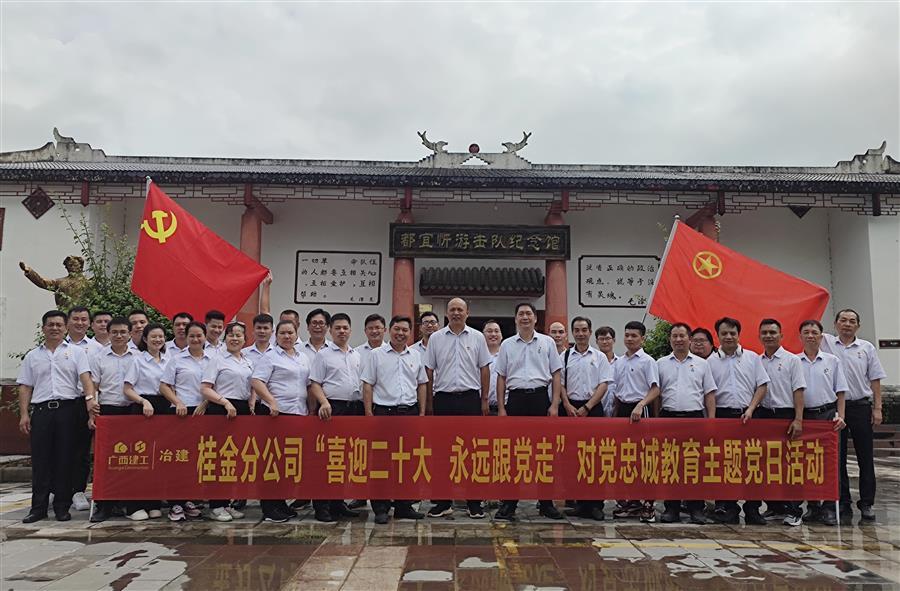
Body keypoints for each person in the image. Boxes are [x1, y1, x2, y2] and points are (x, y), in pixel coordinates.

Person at [18, 310, 97, 523]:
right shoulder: (33, 356)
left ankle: (62, 506)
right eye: (50, 325)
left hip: (68, 410)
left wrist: (90, 401)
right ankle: (38, 508)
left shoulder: (76, 353)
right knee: (41, 460)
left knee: (65, 458)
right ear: (43, 328)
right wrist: (24, 414)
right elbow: (25, 386)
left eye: (58, 325)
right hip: (42, 412)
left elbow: (86, 379)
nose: (54, 328)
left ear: (65, 328)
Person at [633, 322, 716, 525]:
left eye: (682, 336)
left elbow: (709, 394)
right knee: (670, 464)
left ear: (689, 339)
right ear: (670, 339)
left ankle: (696, 508)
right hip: (668, 418)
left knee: (694, 464)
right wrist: (656, 419)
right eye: (675, 336)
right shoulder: (661, 363)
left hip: (694, 418)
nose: (678, 339)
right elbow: (657, 394)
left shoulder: (702, 364)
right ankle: (672, 508)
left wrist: (711, 421)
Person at [493, 303, 564, 522]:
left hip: (540, 399)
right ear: (515, 319)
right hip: (515, 400)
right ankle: (509, 503)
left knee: (543, 452)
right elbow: (501, 377)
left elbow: (556, 374)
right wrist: (502, 408)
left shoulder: (547, 342)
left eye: (528, 314)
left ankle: (546, 503)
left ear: (535, 318)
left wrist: (554, 404)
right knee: (512, 453)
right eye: (521, 314)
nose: (525, 317)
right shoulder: (507, 344)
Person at [251, 320, 327, 522]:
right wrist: (271, 401)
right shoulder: (270, 356)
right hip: (275, 415)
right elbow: (257, 381)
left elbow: (309, 385)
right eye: (282, 333)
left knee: (287, 461)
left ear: (296, 334)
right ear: (276, 336)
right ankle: (269, 507)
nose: (287, 336)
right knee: (271, 460)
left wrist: (313, 408)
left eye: (290, 333)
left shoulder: (303, 357)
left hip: (298, 414)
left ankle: (281, 502)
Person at [424, 298, 491, 520]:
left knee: (472, 451)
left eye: (459, 309)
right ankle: (443, 502)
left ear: (467, 313)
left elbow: (484, 369)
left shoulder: (477, 337)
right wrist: (430, 403)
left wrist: (484, 399)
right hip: (443, 399)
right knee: (442, 452)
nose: (455, 313)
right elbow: (429, 371)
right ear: (446, 313)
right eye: (452, 309)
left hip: (470, 399)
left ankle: (474, 502)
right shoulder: (436, 338)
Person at [821, 309, 887, 523]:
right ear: (835, 323)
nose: (847, 324)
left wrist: (877, 408)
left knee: (865, 457)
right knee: (837, 457)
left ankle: (867, 503)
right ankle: (843, 501)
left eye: (851, 321)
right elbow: (806, 329)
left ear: (858, 325)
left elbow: (875, 379)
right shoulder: (826, 343)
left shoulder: (866, 348)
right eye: (843, 320)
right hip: (835, 408)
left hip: (860, 407)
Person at [361, 315, 428, 525]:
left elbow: (422, 384)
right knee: (381, 462)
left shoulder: (416, 355)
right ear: (389, 330)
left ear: (410, 332)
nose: (400, 333)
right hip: (384, 413)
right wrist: (369, 414)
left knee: (407, 461)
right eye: (397, 329)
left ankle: (403, 506)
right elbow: (367, 384)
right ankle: (380, 508)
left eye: (405, 330)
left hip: (409, 413)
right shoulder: (376, 355)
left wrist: (422, 413)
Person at [706, 317, 770, 525]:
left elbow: (762, 385)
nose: (728, 337)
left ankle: (753, 509)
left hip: (749, 416)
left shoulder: (752, 358)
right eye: (724, 333)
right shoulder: (710, 362)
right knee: (725, 463)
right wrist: (712, 420)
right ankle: (728, 507)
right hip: (723, 417)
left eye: (732, 333)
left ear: (738, 334)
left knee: (753, 463)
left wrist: (751, 408)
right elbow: (709, 393)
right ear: (718, 335)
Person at [309, 313, 364, 522]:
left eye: (345, 328)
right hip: (332, 409)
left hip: (354, 409)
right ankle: (322, 507)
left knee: (345, 457)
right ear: (330, 331)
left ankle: (338, 503)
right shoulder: (323, 355)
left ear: (350, 330)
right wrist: (324, 402)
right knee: (327, 458)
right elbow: (315, 383)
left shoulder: (356, 355)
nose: (342, 331)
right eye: (338, 328)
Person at [755, 318, 807, 526]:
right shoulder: (757, 361)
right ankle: (775, 507)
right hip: (764, 415)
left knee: (790, 463)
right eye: (764, 333)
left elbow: (798, 390)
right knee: (767, 463)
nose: (768, 336)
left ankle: (794, 510)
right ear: (759, 336)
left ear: (781, 335)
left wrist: (798, 419)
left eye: (772, 332)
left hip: (785, 415)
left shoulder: (792, 360)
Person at [158, 321, 213, 522]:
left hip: (205, 412)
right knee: (180, 459)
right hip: (181, 413)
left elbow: (218, 386)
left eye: (199, 336)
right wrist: (177, 402)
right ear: (186, 337)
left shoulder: (213, 359)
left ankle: (190, 499)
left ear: (205, 337)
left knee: (198, 459)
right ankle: (176, 503)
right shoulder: (177, 359)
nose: (196, 339)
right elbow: (164, 386)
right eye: (192, 336)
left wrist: (206, 403)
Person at [200, 322, 254, 522]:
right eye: (231, 335)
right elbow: (205, 388)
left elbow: (252, 386)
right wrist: (224, 402)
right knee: (219, 458)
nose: (235, 338)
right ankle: (215, 505)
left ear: (245, 339)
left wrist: (252, 401)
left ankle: (227, 503)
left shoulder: (248, 361)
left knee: (235, 458)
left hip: (242, 410)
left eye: (239, 335)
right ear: (225, 338)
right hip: (221, 410)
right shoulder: (217, 359)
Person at [797, 319, 848, 526]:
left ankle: (829, 507)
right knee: (807, 462)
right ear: (800, 336)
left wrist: (840, 415)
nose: (810, 335)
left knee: (829, 463)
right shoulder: (794, 361)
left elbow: (841, 391)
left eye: (814, 332)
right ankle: (813, 506)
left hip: (827, 416)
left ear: (821, 336)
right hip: (804, 417)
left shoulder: (832, 361)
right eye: (806, 332)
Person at [88, 317, 139, 522]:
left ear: (130, 334)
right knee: (106, 459)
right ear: (108, 334)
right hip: (108, 410)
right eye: (115, 332)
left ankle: (125, 502)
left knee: (131, 458)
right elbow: (93, 385)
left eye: (123, 332)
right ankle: (104, 505)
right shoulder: (98, 357)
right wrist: (92, 412)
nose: (119, 336)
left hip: (132, 411)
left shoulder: (138, 356)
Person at [562, 316, 612, 521]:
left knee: (595, 458)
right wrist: (567, 405)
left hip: (592, 409)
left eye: (584, 330)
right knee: (574, 458)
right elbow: (560, 383)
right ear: (573, 332)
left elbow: (604, 384)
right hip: (570, 410)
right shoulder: (565, 356)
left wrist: (588, 407)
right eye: (577, 330)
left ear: (590, 332)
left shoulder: (599, 357)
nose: (580, 333)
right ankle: (580, 503)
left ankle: (596, 505)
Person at [611, 321, 659, 522]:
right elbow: (616, 391)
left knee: (644, 457)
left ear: (642, 338)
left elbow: (655, 389)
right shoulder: (619, 362)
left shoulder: (648, 361)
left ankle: (648, 504)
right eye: (627, 335)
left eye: (634, 336)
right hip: (622, 410)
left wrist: (641, 405)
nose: (630, 339)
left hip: (640, 410)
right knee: (625, 457)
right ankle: (631, 502)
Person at [122, 322, 169, 522]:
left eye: (161, 337)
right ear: (145, 339)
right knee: (140, 458)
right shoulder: (138, 360)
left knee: (158, 458)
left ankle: (153, 502)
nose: (157, 340)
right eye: (153, 337)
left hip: (164, 408)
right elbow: (127, 389)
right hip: (143, 408)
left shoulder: (168, 360)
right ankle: (134, 505)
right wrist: (143, 401)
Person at [65, 306, 102, 512]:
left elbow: (98, 380)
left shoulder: (96, 348)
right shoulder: (58, 346)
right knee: (61, 447)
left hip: (86, 402)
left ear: (89, 323)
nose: (80, 323)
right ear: (68, 322)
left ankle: (78, 490)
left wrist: (92, 406)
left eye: (84, 319)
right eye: (76, 319)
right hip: (63, 402)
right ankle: (59, 488)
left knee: (82, 449)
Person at [594, 326, 618, 418]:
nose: (604, 342)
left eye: (607, 338)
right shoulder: (592, 363)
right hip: (596, 409)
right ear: (596, 341)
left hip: (617, 410)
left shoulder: (620, 363)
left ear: (614, 340)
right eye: (601, 339)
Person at [483, 320, 504, 415]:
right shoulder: (476, 356)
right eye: (489, 331)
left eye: (496, 331)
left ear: (501, 335)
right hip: (482, 407)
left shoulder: (507, 354)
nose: (493, 334)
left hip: (504, 407)